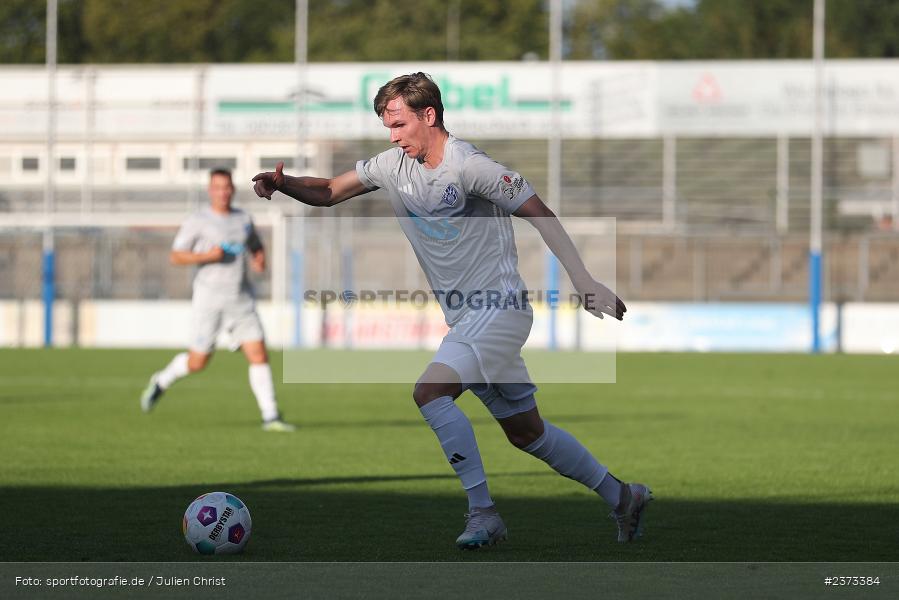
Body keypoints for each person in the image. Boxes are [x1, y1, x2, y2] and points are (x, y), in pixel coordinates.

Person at [251, 73, 651, 547]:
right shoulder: (392, 164)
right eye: (387, 127)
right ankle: (623, 496)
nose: (393, 136)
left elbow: (538, 212)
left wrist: (583, 281)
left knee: (430, 393)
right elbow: (330, 191)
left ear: (429, 115)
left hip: (500, 308)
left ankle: (483, 514)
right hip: (467, 318)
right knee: (527, 434)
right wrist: (284, 183)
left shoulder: (470, 166)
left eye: (398, 124)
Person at [140, 168, 295, 433]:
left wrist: (259, 258)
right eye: (218, 187)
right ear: (210, 190)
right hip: (209, 301)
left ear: (232, 189)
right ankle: (162, 380)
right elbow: (176, 256)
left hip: (241, 299)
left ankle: (271, 416)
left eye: (227, 187)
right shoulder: (197, 221)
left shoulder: (243, 219)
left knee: (258, 354)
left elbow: (256, 246)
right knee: (198, 362)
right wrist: (207, 257)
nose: (223, 192)